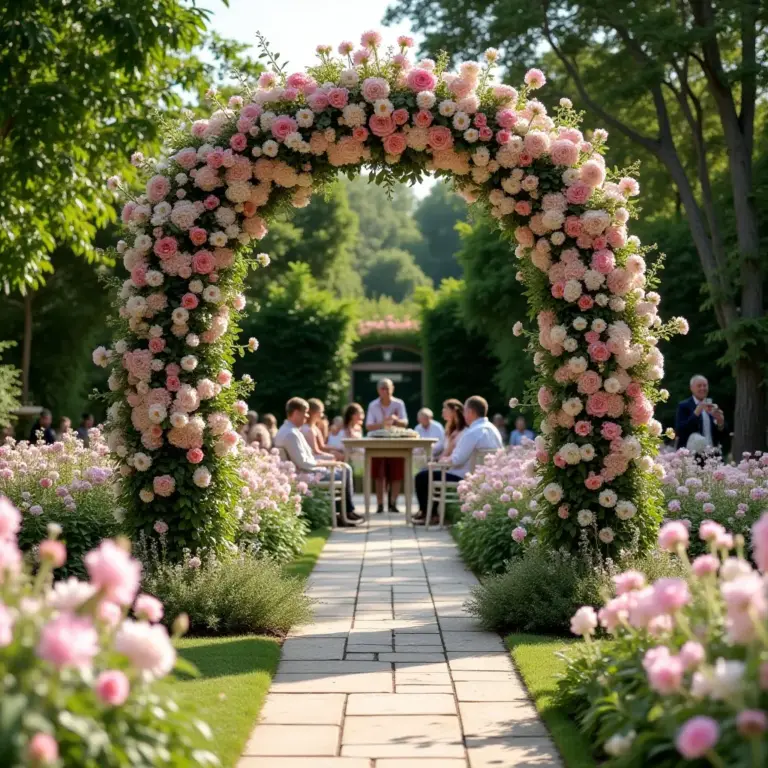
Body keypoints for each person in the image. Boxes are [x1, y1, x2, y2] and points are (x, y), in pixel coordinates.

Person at [413, 396, 503, 525]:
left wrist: (440, 462)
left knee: (422, 477)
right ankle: (430, 514)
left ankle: (430, 515)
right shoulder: (494, 430)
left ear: (471, 412)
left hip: (464, 477)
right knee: (428, 474)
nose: (464, 414)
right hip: (488, 477)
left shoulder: (472, 432)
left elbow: (456, 460)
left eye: (465, 410)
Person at [275, 397, 360, 524]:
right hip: (306, 475)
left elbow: (305, 458)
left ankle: (344, 512)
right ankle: (344, 513)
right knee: (345, 470)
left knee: (344, 468)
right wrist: (323, 464)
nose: (307, 416)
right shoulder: (291, 434)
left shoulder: (289, 430)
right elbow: (303, 463)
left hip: (306, 470)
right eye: (305, 413)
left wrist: (325, 462)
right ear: (297, 413)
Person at [365, 378, 408, 514]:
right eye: (383, 388)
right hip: (378, 443)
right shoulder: (373, 405)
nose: (386, 391)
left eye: (388, 388)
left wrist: (396, 420)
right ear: (378, 390)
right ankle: (379, 504)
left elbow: (405, 422)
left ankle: (393, 503)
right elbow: (368, 426)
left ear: (392, 388)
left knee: (396, 474)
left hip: (396, 442)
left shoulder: (399, 403)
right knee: (379, 475)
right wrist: (382, 423)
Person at [675, 375, 727, 454]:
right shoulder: (684, 406)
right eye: (699, 386)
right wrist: (696, 413)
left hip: (713, 456)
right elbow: (680, 432)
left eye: (705, 385)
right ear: (691, 388)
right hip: (691, 457)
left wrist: (720, 422)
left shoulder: (712, 406)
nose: (702, 388)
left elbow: (723, 436)